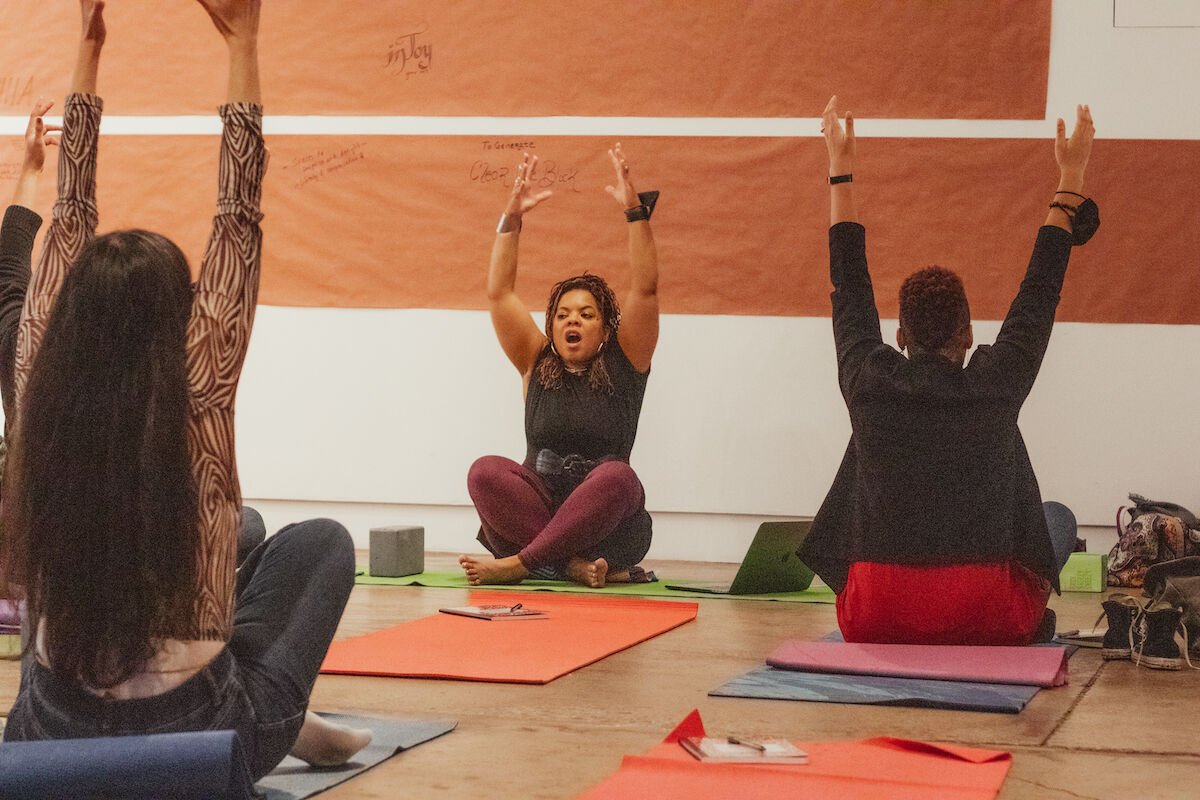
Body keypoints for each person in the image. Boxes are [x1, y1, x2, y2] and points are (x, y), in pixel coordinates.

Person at [1, 0, 369, 779]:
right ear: (181, 318)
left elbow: (67, 216)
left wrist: (88, 49)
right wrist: (244, 42)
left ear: (70, 315)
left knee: (243, 529)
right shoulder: (198, 386)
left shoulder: (37, 378)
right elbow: (238, 215)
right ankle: (291, 719)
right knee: (320, 543)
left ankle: (282, 711)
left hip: (48, 731)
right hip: (200, 734)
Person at [798, 96, 1097, 646]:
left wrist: (839, 167)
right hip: (987, 613)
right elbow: (1038, 295)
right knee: (1057, 519)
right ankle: (1028, 622)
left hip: (873, 615)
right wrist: (1070, 176)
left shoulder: (868, 381)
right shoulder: (997, 383)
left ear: (900, 338)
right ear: (968, 336)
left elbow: (850, 287)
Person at [459, 146, 660, 588]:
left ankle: (522, 564)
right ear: (550, 325)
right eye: (564, 314)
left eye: (587, 314)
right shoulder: (535, 359)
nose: (573, 320)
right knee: (484, 471)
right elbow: (499, 293)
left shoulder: (627, 362)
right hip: (539, 514)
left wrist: (634, 214)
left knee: (618, 477)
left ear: (606, 327)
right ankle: (566, 564)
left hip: (607, 524)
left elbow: (645, 289)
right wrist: (510, 220)